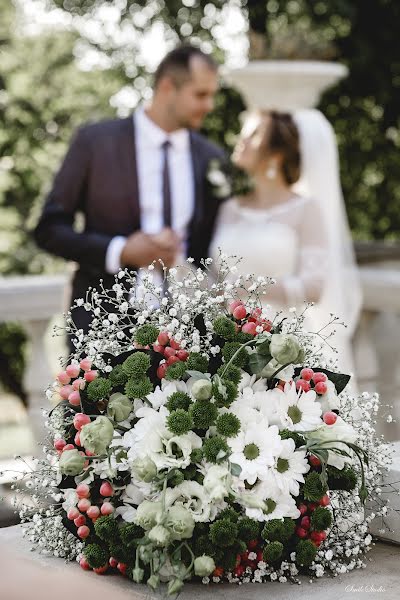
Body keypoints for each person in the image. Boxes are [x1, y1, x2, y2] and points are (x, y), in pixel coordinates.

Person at [34, 45, 229, 348]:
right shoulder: (95, 143)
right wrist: (121, 250)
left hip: (188, 334)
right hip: (101, 327)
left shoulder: (210, 157)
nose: (210, 105)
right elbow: (49, 229)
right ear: (167, 87)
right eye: (201, 95)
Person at [210, 109, 362, 375]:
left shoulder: (305, 209)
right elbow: (214, 280)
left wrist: (250, 286)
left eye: (254, 133)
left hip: (282, 345)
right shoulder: (228, 209)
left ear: (276, 154)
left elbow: (314, 286)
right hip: (224, 343)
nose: (242, 139)